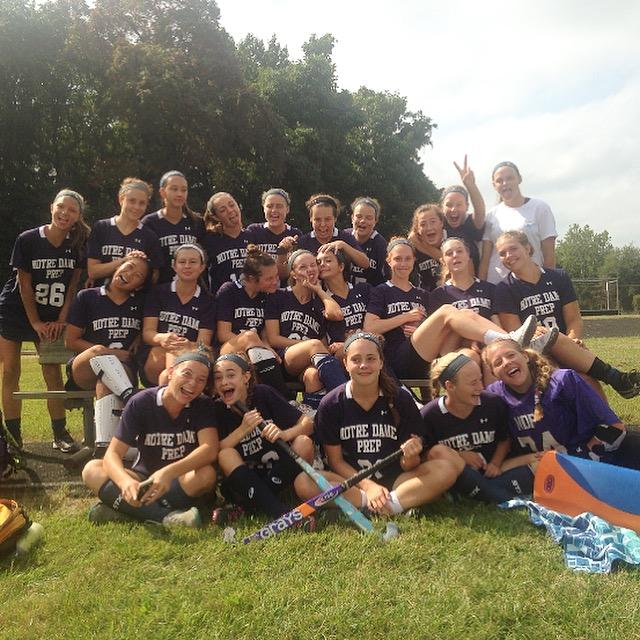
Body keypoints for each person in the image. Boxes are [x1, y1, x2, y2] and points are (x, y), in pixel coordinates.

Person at [295, 332, 461, 516]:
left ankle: (384, 505)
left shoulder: (400, 399)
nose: (364, 365)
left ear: (381, 362)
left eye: (371, 358)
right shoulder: (331, 403)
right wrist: (369, 487)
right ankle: (388, 504)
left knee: (444, 468)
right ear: (345, 364)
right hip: (352, 483)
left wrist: (411, 455)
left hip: (397, 480)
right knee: (304, 482)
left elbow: (408, 465)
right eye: (356, 359)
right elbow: (336, 461)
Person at [363, 238, 540, 380]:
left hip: (428, 354)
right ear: (388, 260)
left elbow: (438, 329)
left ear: (414, 261)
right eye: (397, 259)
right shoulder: (381, 291)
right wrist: (404, 317)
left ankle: (510, 341)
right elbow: (370, 328)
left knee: (465, 313)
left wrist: (421, 327)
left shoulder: (423, 294)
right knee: (448, 310)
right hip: (399, 357)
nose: (403, 263)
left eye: (407, 258)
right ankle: (508, 340)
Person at [493, 230, 640, 399]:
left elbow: (574, 319)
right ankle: (616, 378)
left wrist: (573, 340)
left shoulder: (558, 277)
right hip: (535, 353)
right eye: (502, 253)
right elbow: (518, 334)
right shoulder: (504, 289)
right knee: (572, 372)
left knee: (587, 379)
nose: (508, 255)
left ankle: (611, 424)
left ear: (527, 248)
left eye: (513, 248)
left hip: (566, 344)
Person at [82, 350, 218, 526]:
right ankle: (168, 517)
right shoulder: (142, 402)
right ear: (170, 373)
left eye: (201, 380)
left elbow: (209, 449)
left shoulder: (203, 404)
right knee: (92, 469)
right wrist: (125, 482)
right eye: (187, 374)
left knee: (206, 474)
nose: (192, 384)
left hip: (180, 479)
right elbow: (112, 454)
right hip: (143, 477)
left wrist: (169, 473)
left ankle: (125, 510)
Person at [0, 189, 89, 452]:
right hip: (17, 311)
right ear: (52, 207)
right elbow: (24, 286)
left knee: (52, 371)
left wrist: (62, 319)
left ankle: (60, 433)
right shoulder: (28, 239)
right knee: (10, 372)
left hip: (52, 314)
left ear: (78, 216)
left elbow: (72, 287)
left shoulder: (77, 244)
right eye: (61, 207)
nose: (65, 213)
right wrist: (35, 323)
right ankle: (14, 439)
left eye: (72, 210)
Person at [483, 339, 640, 470]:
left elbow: (614, 427)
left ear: (525, 356)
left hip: (591, 461)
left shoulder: (563, 381)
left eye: (511, 355)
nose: (506, 363)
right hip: (540, 469)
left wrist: (580, 458)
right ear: (493, 373)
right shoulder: (495, 397)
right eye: (497, 362)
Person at [210, 352, 314, 524]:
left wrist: (284, 434)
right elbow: (215, 452)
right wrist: (242, 430)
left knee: (304, 442)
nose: (224, 382)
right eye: (218, 378)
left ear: (246, 377)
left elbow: (307, 423)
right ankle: (281, 513)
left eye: (230, 375)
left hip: (278, 472)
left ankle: (248, 506)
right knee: (225, 454)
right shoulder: (217, 409)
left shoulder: (263, 394)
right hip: (244, 480)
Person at [421, 351, 534, 502]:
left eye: (480, 380)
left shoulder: (493, 404)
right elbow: (426, 456)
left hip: (493, 469)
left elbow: (504, 439)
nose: (480, 387)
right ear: (450, 386)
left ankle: (472, 494)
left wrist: (495, 463)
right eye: (473, 383)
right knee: (439, 453)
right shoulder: (430, 414)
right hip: (457, 473)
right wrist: (459, 456)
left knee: (539, 460)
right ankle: (495, 495)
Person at [66, 254, 149, 450]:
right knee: (98, 351)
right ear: (118, 266)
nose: (129, 274)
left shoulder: (141, 304)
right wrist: (109, 353)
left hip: (122, 371)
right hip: (85, 366)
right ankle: (130, 397)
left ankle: (103, 446)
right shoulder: (87, 296)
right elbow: (70, 340)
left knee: (106, 380)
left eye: (137, 275)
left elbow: (147, 331)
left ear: (139, 286)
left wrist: (138, 339)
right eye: (128, 267)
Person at [265, 248, 347, 409]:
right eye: (303, 267)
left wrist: (318, 290)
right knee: (314, 344)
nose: (310, 270)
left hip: (312, 361)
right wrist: (309, 346)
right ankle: (346, 401)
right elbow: (273, 338)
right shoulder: (279, 296)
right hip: (285, 358)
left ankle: (312, 416)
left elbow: (337, 314)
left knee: (313, 376)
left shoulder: (319, 302)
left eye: (313, 265)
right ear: (293, 274)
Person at [139, 244, 215, 386]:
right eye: (182, 262)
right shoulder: (158, 293)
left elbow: (203, 344)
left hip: (189, 357)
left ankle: (168, 396)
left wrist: (188, 345)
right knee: (171, 352)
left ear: (202, 267)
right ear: (174, 266)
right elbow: (147, 333)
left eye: (193, 262)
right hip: (155, 356)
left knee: (167, 372)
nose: (187, 266)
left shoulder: (208, 301)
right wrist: (162, 338)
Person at [216, 245, 287, 394]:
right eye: (269, 278)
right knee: (250, 336)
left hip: (256, 353)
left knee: (269, 355)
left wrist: (263, 345)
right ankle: (285, 398)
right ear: (251, 279)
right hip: (229, 350)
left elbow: (265, 336)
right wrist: (256, 343)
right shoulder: (229, 291)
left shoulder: (267, 295)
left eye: (276, 276)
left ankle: (273, 400)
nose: (275, 282)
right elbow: (223, 334)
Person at [479, 161, 557, 284]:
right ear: (494, 185)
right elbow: (485, 259)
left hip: (533, 283)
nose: (505, 183)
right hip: (498, 285)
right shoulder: (491, 215)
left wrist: (549, 284)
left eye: (509, 178)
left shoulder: (540, 208)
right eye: (499, 181)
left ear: (519, 179)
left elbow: (549, 255)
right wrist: (482, 288)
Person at [87, 177, 163, 287]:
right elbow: (93, 272)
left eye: (142, 203)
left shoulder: (149, 237)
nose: (136, 207)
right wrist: (125, 261)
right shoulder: (102, 227)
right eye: (132, 201)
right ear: (121, 199)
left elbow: (153, 277)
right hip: (100, 297)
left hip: (132, 301)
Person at [142, 171, 205, 284]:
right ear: (162, 192)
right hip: (162, 291)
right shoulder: (149, 222)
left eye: (184, 190)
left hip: (192, 290)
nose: (179, 194)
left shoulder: (196, 222)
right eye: (174, 189)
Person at [294, 194, 369, 273]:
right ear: (311, 219)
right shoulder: (303, 242)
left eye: (327, 219)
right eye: (317, 219)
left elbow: (365, 263)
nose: (322, 224)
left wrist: (344, 246)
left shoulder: (345, 238)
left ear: (335, 218)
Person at [318, 248, 370, 360]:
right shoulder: (320, 301)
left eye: (328, 260)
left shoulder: (364, 290)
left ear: (341, 267)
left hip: (368, 344)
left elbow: (374, 325)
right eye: (319, 262)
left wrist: (352, 342)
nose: (322, 265)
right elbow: (324, 344)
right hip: (340, 354)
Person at [428, 237, 497, 321]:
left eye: (459, 251)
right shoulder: (438, 295)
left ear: (468, 255)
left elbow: (498, 323)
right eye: (449, 253)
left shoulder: (490, 289)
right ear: (443, 261)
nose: (455, 255)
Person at [245, 188, 303, 283]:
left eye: (279, 206)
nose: (274, 210)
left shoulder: (295, 234)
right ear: (263, 208)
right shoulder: (253, 231)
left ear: (287, 209)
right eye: (269, 206)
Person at [441, 155, 486, 274]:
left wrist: (471, 186)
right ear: (442, 207)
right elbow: (415, 238)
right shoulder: (437, 226)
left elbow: (480, 211)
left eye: (459, 204)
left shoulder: (470, 224)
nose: (453, 209)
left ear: (467, 206)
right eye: (449, 205)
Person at [201, 191, 251, 294]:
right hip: (223, 304)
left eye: (232, 205)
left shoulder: (252, 236)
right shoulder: (210, 240)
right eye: (223, 210)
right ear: (216, 217)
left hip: (252, 304)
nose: (230, 210)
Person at [344, 196, 388, 286]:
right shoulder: (344, 236)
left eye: (369, 218)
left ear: (375, 221)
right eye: (359, 216)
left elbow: (385, 277)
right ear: (352, 218)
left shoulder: (380, 244)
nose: (363, 221)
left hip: (372, 294)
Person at [408, 204, 445, 292]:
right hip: (426, 299)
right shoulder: (412, 250)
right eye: (423, 224)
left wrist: (423, 246)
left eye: (433, 221)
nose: (429, 227)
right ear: (417, 229)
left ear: (441, 222)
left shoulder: (453, 241)